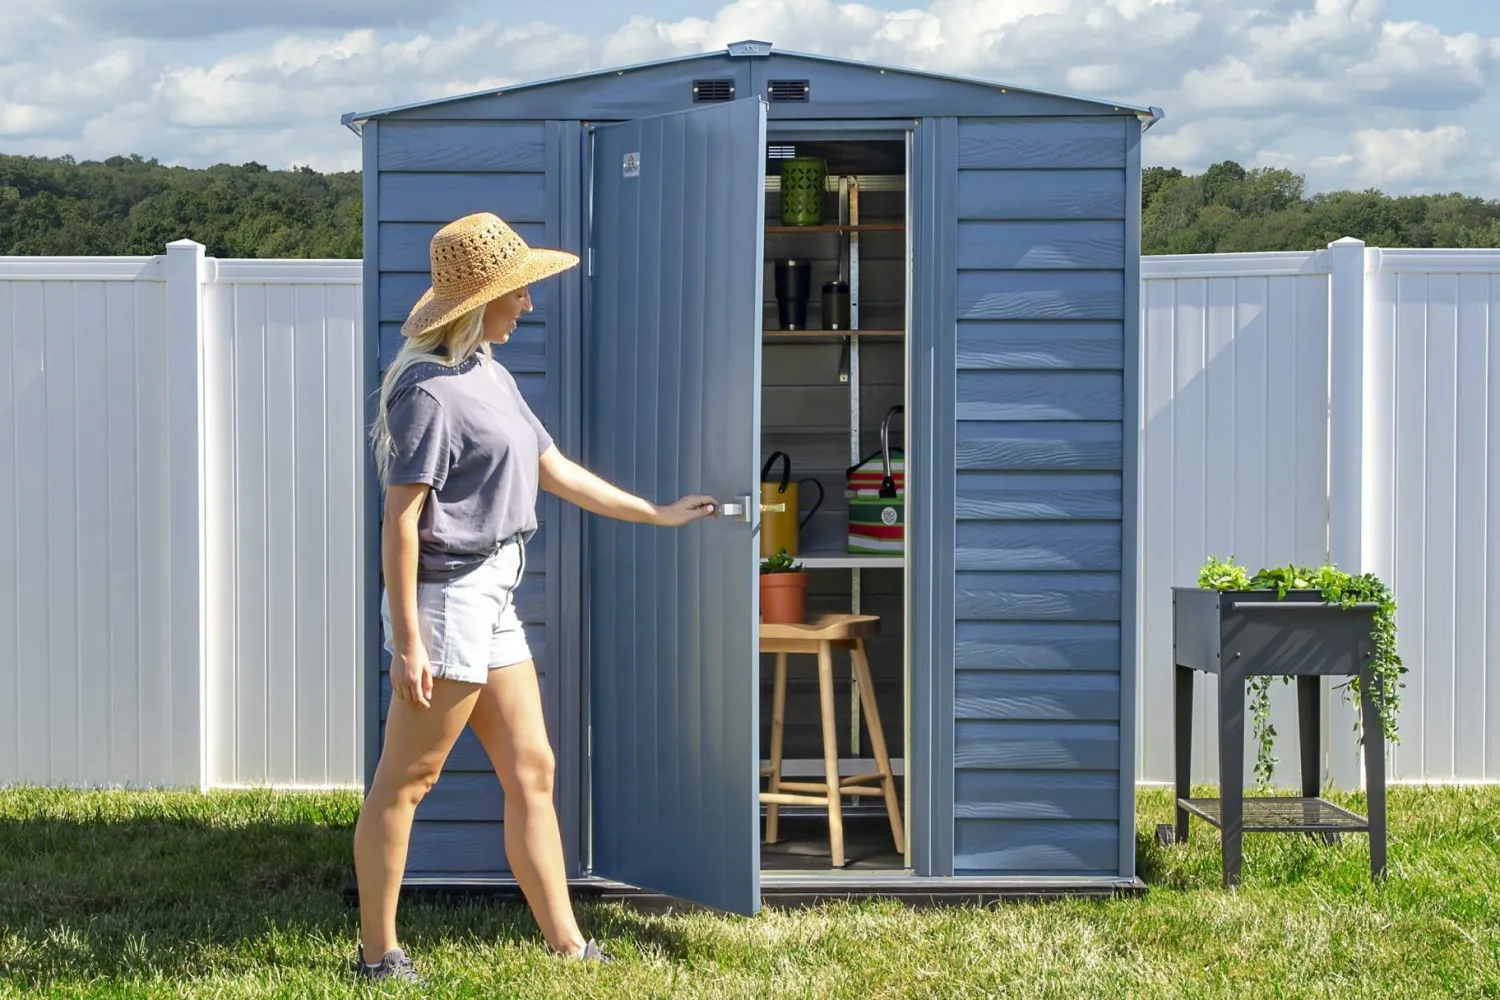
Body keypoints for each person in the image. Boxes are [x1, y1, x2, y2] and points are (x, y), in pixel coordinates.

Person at [353, 212, 715, 982]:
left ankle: (569, 946)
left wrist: (654, 512)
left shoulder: (490, 371)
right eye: (518, 293)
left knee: (533, 769)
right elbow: (401, 522)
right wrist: (410, 641)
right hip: (446, 601)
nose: (528, 305)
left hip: (493, 593)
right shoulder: (429, 394)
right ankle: (378, 954)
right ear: (480, 300)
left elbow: (552, 468)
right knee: (408, 781)